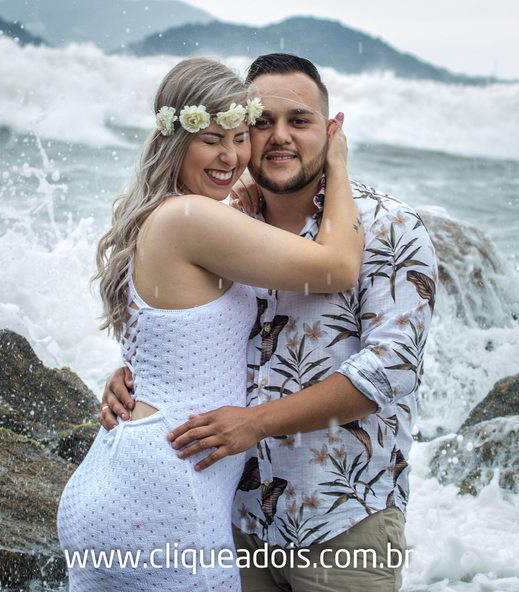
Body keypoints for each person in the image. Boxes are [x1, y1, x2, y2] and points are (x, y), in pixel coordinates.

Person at [102, 53, 438, 592]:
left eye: (300, 121)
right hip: (235, 516)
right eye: (262, 123)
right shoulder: (226, 221)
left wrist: (256, 423)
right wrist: (134, 378)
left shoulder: (389, 228)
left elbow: (389, 371)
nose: (279, 137)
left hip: (341, 518)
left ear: (330, 131)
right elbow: (192, 333)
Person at [58, 57, 364, 591]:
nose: (231, 156)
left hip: (123, 477)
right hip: (170, 491)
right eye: (212, 140)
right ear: (176, 141)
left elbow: (172, 340)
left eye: (240, 137)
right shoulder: (191, 218)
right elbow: (337, 267)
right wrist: (337, 164)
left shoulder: (170, 213)